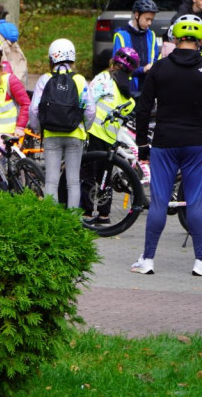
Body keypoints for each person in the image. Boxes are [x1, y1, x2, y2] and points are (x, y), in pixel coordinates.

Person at [131, 14, 202, 276]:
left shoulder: (160, 68)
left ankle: (148, 259)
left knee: (159, 201)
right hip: (197, 143)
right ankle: (200, 262)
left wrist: (141, 143)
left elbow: (143, 108)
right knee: (196, 202)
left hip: (164, 142)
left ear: (174, 38)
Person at [28, 38, 95, 212]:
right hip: (75, 134)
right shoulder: (80, 80)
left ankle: (52, 221)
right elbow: (90, 110)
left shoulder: (44, 79)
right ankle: (73, 222)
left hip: (51, 135)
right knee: (73, 181)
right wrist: (84, 127)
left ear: (51, 58)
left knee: (51, 180)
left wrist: (37, 128)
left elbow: (34, 109)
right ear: (73, 59)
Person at [85, 47, 139, 224]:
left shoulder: (104, 78)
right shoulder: (125, 87)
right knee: (104, 175)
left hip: (95, 131)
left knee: (87, 173)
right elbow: (130, 106)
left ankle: (86, 212)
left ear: (113, 62)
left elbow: (88, 99)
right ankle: (104, 214)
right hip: (111, 136)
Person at [112, 0, 161, 95]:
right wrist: (142, 70)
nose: (149, 23)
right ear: (137, 15)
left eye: (152, 20)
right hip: (129, 87)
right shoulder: (121, 36)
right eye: (147, 19)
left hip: (148, 87)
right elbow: (117, 67)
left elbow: (155, 58)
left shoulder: (151, 35)